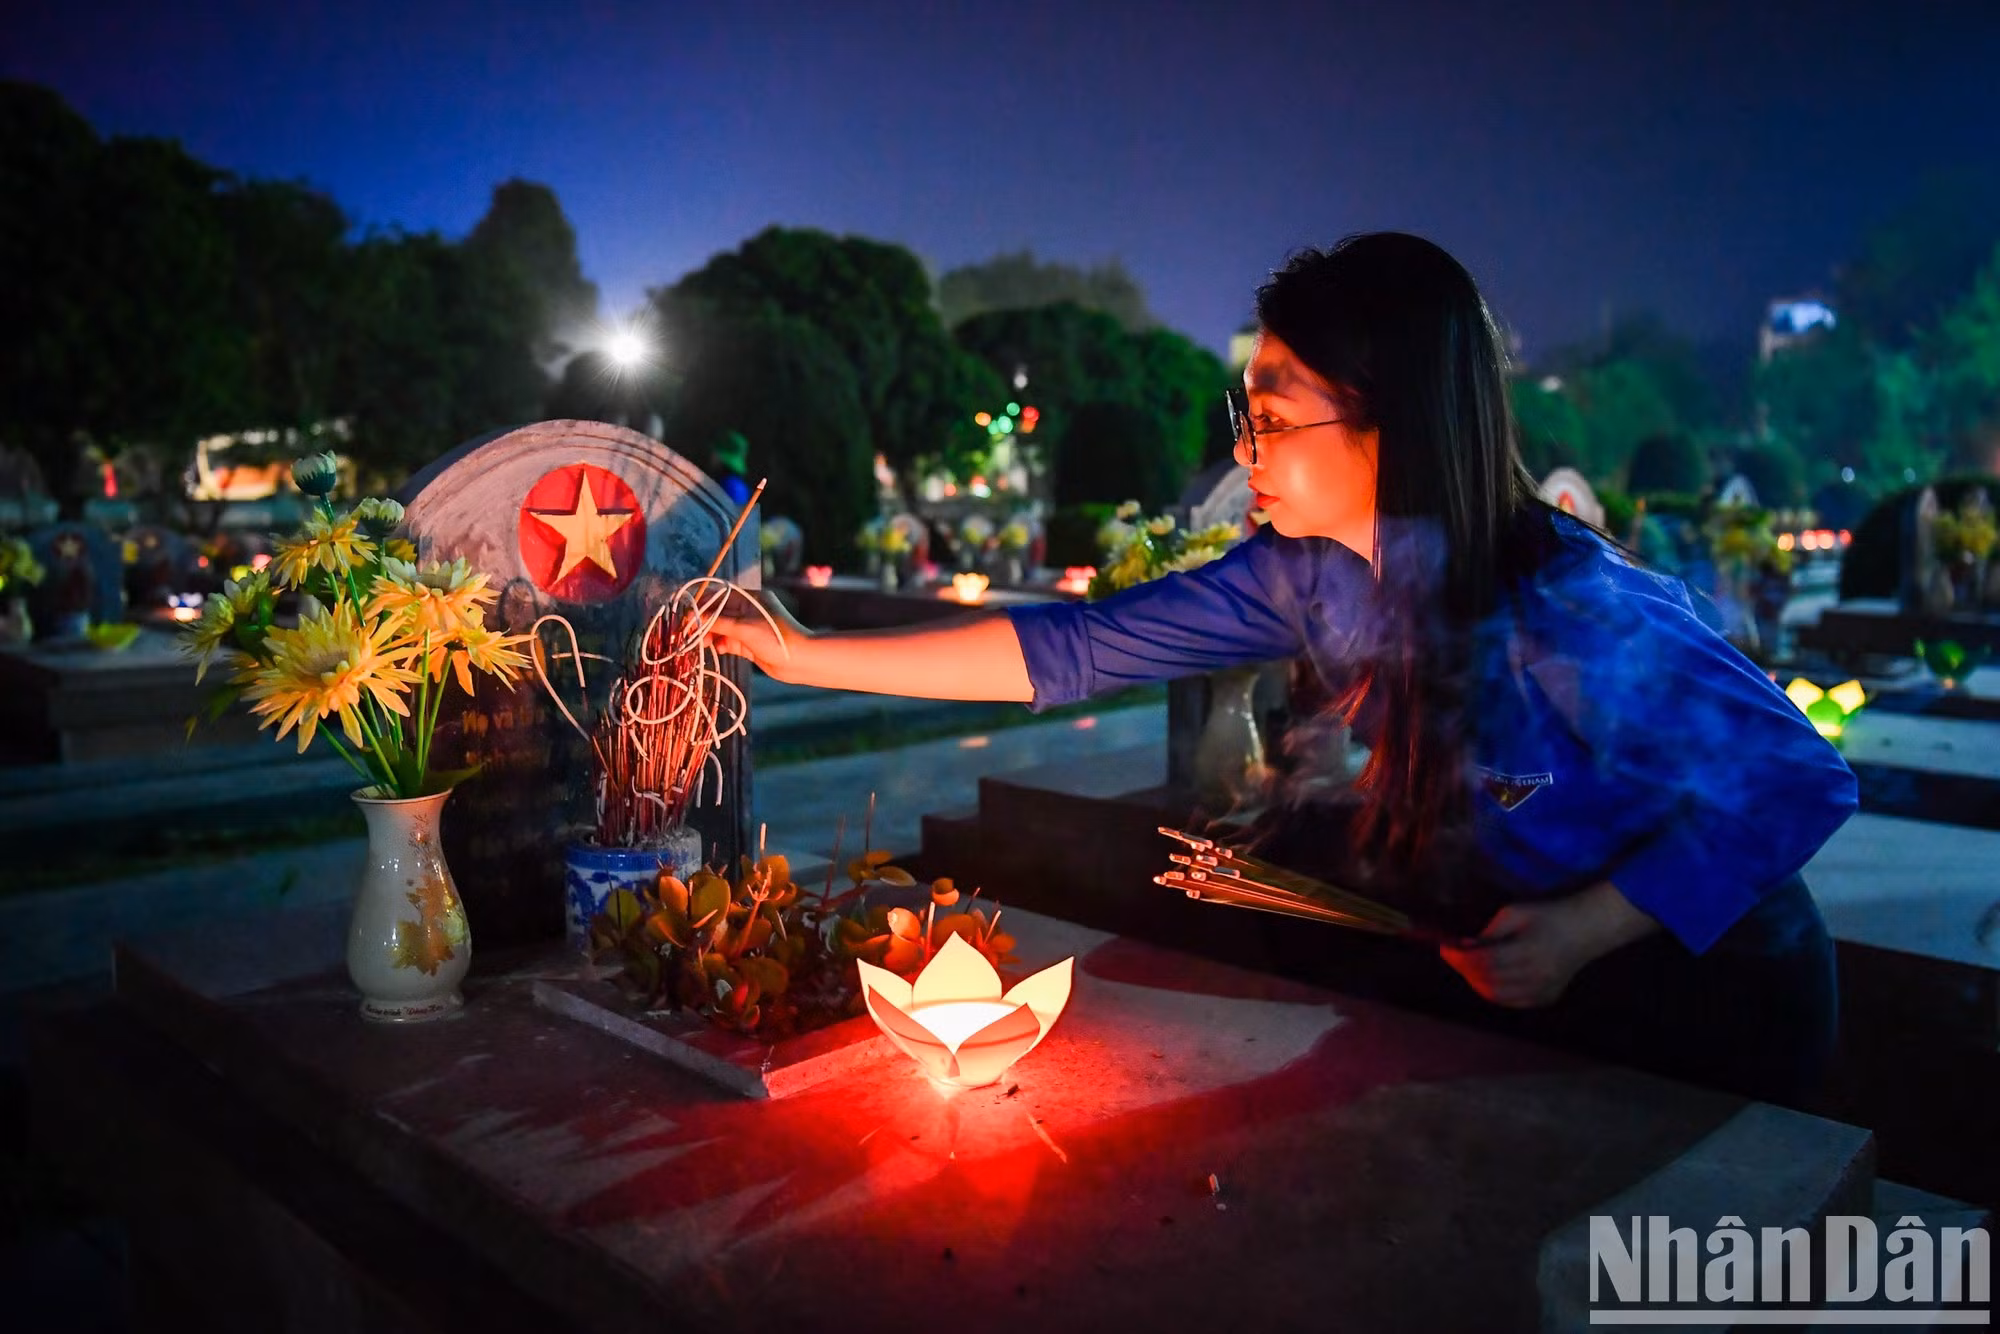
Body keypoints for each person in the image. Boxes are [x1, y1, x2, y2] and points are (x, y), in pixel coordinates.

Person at [713, 233, 1858, 1108]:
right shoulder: (1304, 574)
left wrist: (1588, 927)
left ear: (1390, 425)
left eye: (1269, 419)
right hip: (1526, 962)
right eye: (1242, 415)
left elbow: (1796, 780)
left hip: (1699, 993)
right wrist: (801, 654)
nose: (1241, 450)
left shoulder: (1570, 606)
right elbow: (1073, 649)